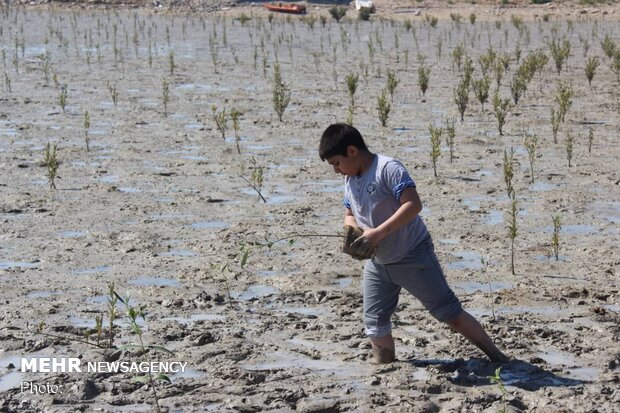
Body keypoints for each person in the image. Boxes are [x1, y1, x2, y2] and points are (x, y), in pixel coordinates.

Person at [319, 123, 508, 364]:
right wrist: (352, 231)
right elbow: (349, 212)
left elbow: (413, 205)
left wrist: (378, 233)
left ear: (352, 151)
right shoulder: (350, 178)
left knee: (449, 313)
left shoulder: (387, 169)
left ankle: (500, 359)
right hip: (378, 262)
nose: (336, 170)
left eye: (336, 163)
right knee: (375, 323)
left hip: (412, 255)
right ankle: (384, 366)